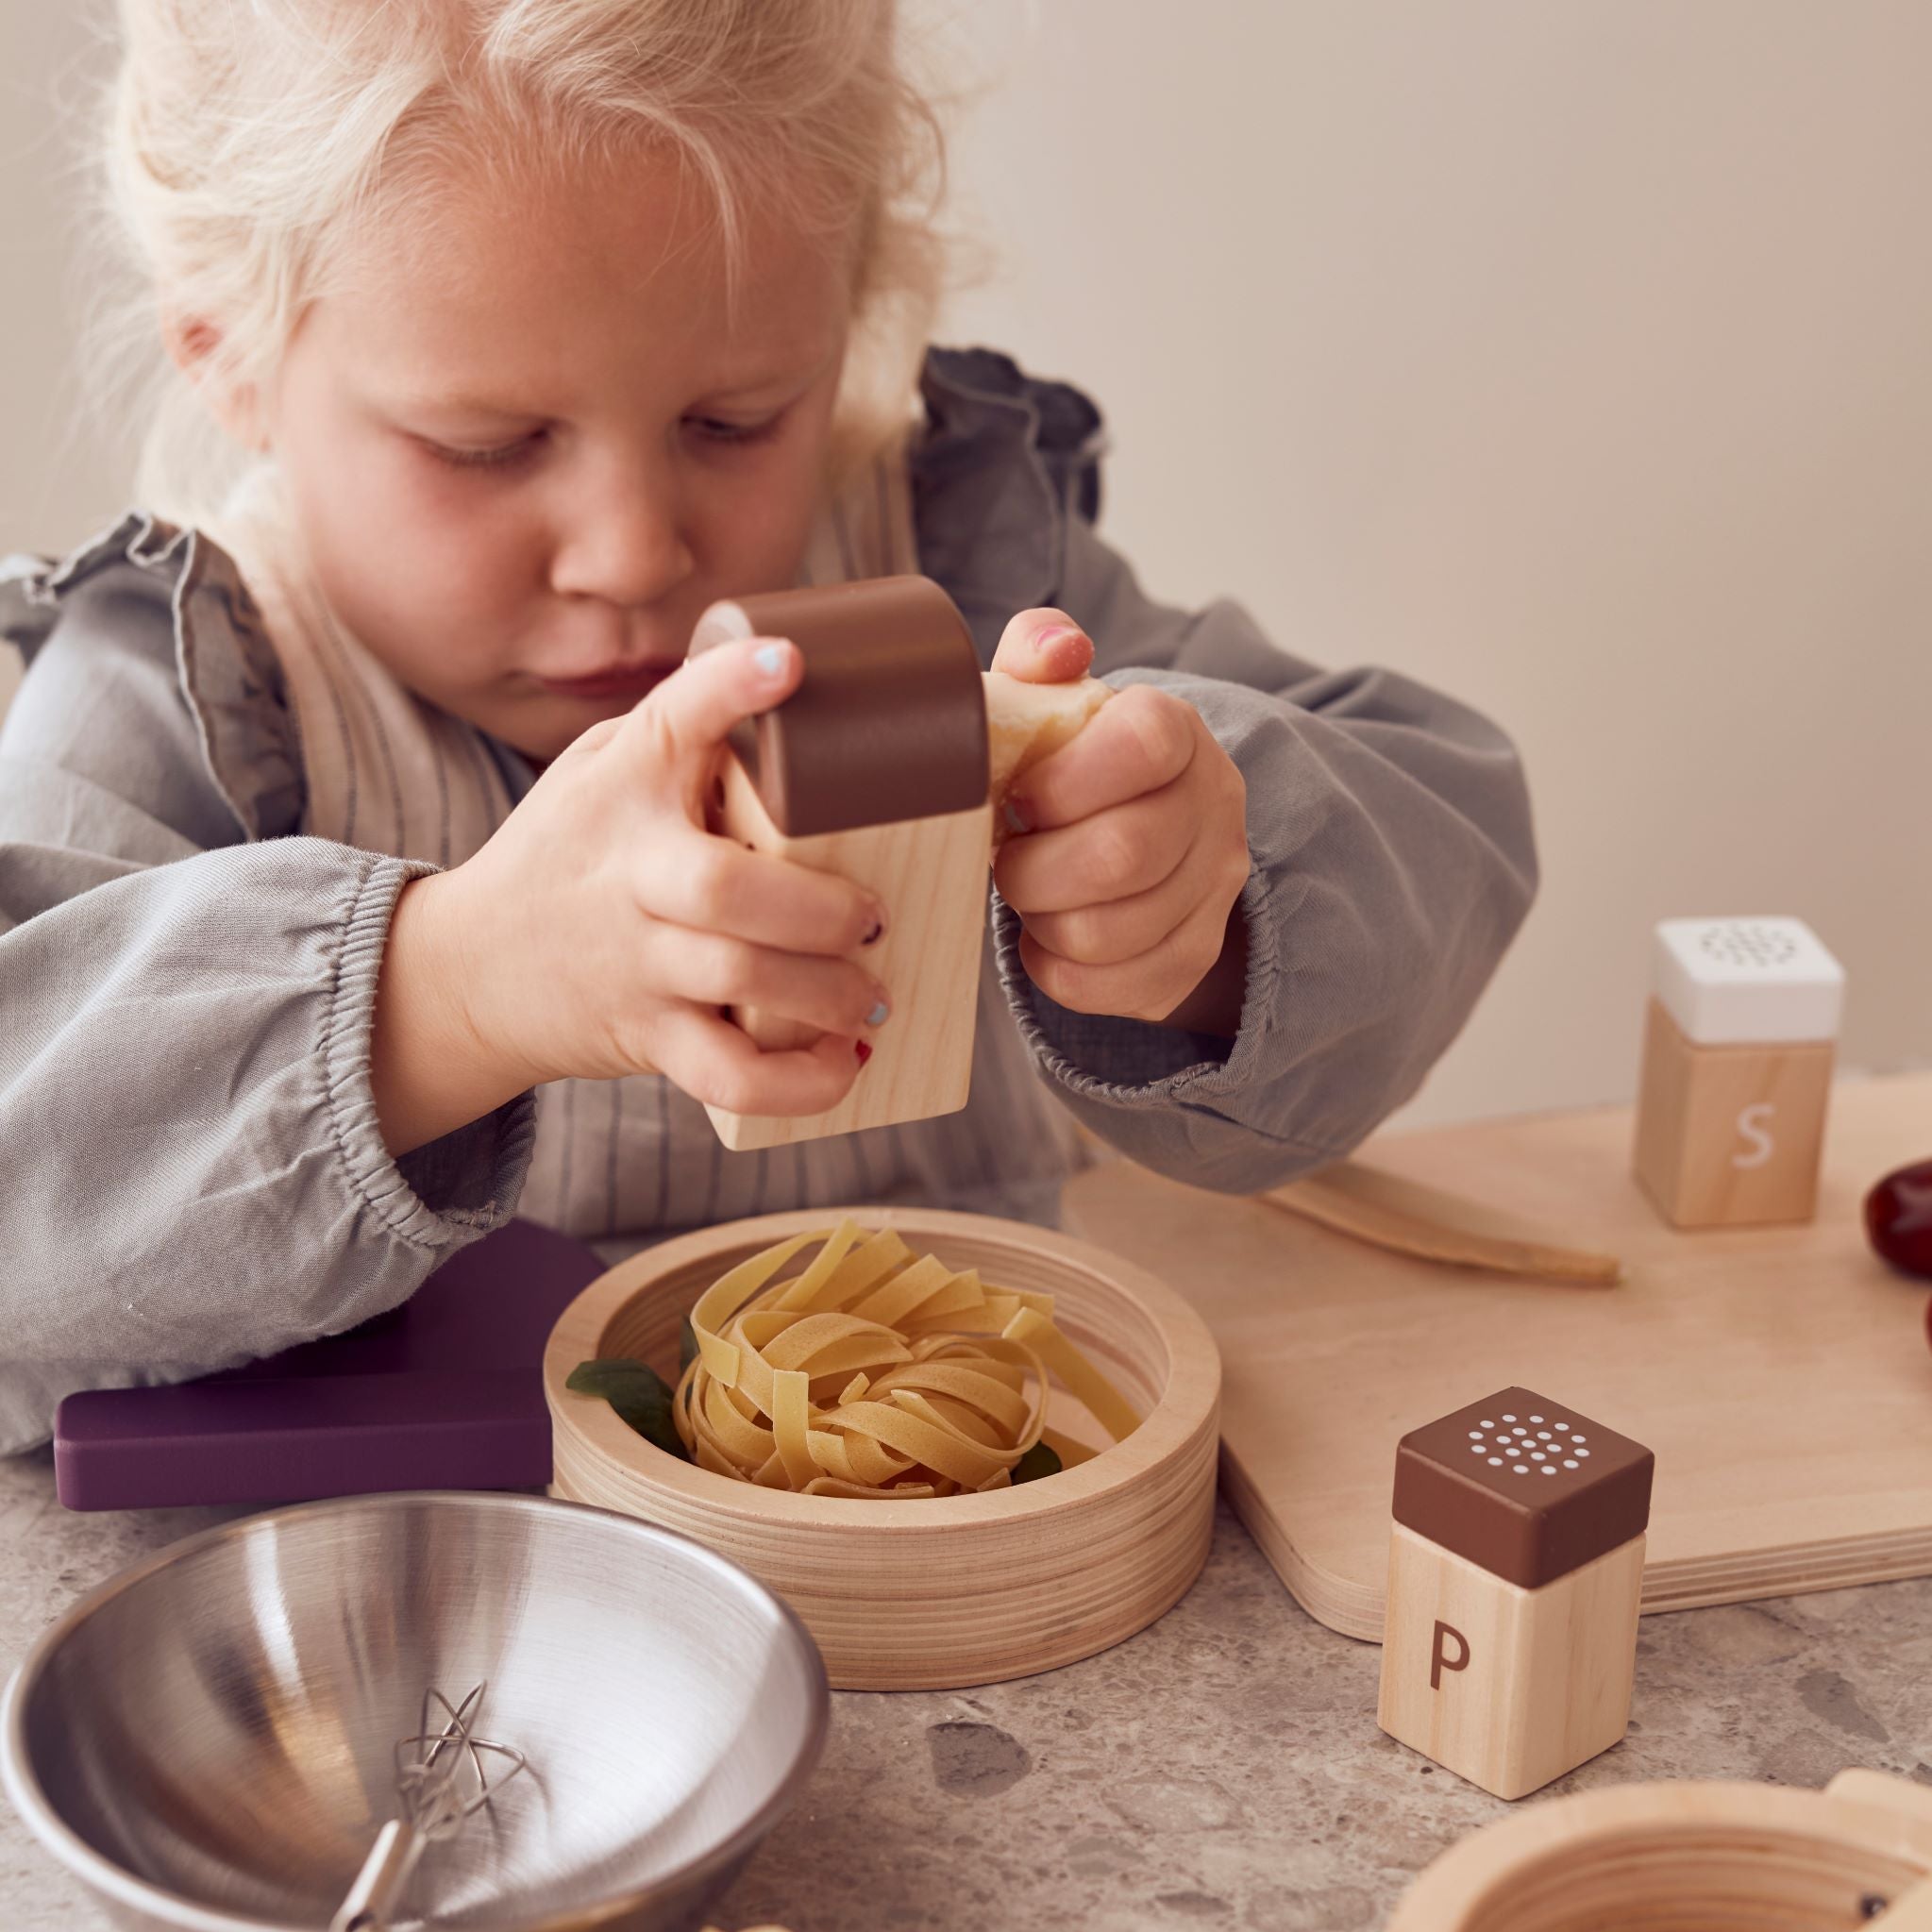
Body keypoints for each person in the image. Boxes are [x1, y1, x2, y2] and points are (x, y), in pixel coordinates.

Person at [0, 0, 1537, 1453]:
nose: (632, 552)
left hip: (979, 1532)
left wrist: (1199, 906)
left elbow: (1441, 816)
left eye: (733, 421)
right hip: (446, 1604)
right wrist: (450, 994)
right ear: (225, 351)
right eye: (490, 443)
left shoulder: (958, 559)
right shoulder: (195, 690)